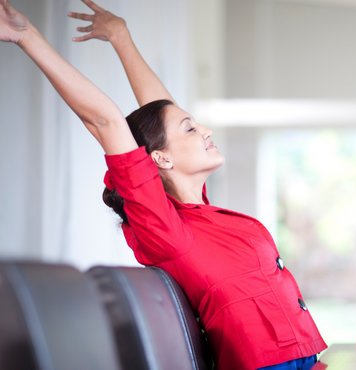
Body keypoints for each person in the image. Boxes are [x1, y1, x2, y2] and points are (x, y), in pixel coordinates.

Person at [1, 0, 327, 369]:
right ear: (161, 158)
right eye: (191, 128)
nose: (205, 130)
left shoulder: (196, 214)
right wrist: (27, 37)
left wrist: (122, 38)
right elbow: (106, 121)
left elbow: (162, 113)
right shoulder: (167, 230)